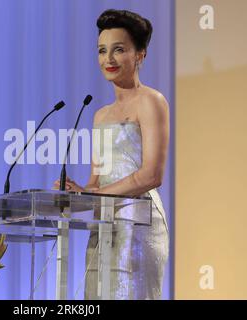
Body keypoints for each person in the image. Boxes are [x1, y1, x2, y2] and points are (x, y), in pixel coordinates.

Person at [53, 9, 169, 299]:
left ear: (140, 54)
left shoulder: (151, 101)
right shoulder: (99, 115)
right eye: (102, 51)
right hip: (105, 224)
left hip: (139, 221)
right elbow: (98, 179)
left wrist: (99, 197)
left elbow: (151, 175)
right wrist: (81, 192)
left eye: (119, 50)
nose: (109, 59)